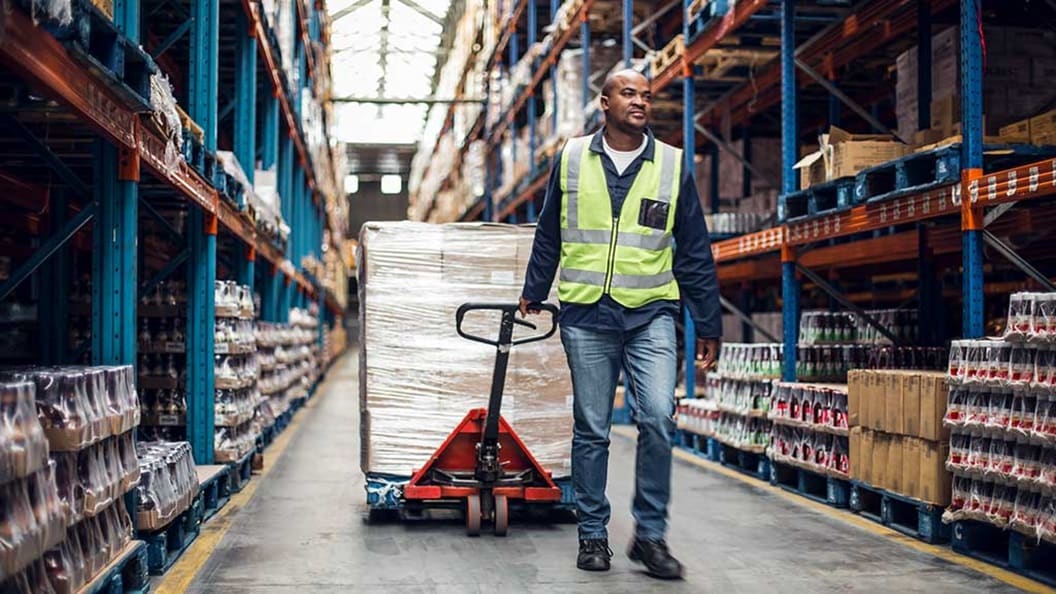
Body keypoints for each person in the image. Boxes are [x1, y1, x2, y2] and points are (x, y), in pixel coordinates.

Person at [518, 69, 721, 580]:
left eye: (646, 96)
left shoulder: (672, 166)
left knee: (657, 416)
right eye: (628, 93)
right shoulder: (570, 158)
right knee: (592, 428)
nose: (640, 102)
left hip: (651, 311)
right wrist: (533, 290)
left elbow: (694, 250)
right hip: (587, 314)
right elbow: (550, 232)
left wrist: (708, 321)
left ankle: (649, 536)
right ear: (603, 102)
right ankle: (592, 535)